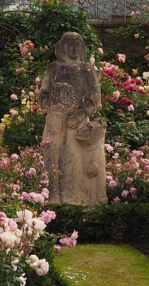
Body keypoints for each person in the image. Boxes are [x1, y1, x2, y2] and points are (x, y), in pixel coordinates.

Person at [39, 32, 107, 204]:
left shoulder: (86, 69)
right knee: (52, 157)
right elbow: (43, 93)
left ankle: (75, 199)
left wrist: (82, 112)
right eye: (71, 44)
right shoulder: (53, 68)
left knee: (73, 159)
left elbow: (94, 96)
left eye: (79, 44)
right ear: (62, 47)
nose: (75, 47)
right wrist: (52, 105)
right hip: (55, 122)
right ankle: (52, 197)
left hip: (75, 123)